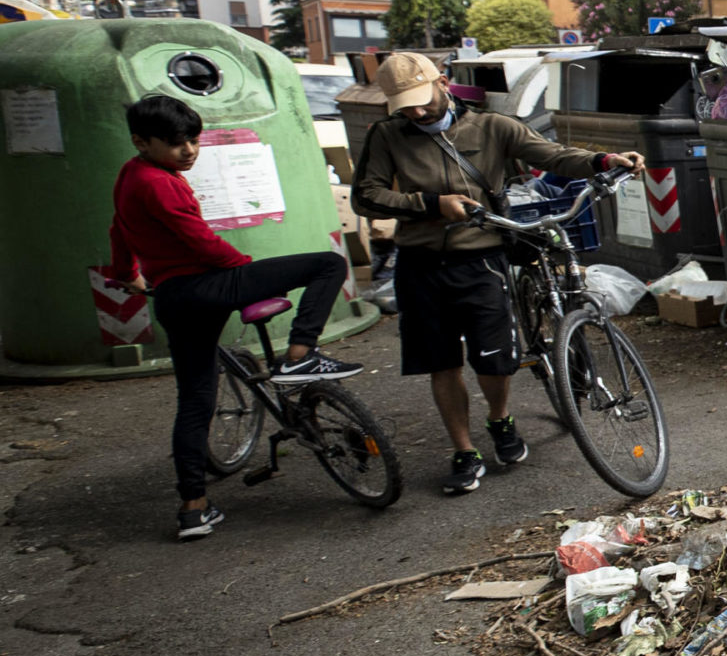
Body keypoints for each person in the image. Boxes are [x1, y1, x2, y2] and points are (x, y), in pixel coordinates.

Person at [352, 51, 640, 495]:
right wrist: (430, 205)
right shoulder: (387, 136)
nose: (415, 111)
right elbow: (366, 197)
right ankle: (464, 449)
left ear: (442, 82)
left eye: (420, 99)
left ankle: (500, 419)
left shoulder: (491, 127)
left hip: (480, 256)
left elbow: (553, 155)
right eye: (404, 104)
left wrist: (603, 161)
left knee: (493, 359)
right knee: (442, 363)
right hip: (421, 261)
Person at [110, 94, 361, 541]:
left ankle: (193, 508)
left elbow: (119, 228)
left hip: (171, 298)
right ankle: (300, 353)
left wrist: (125, 273)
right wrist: (246, 271)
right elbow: (201, 243)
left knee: (194, 402)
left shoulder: (130, 174)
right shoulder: (162, 183)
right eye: (174, 143)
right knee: (328, 264)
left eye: (193, 141)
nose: (188, 151)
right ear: (141, 141)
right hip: (206, 285)